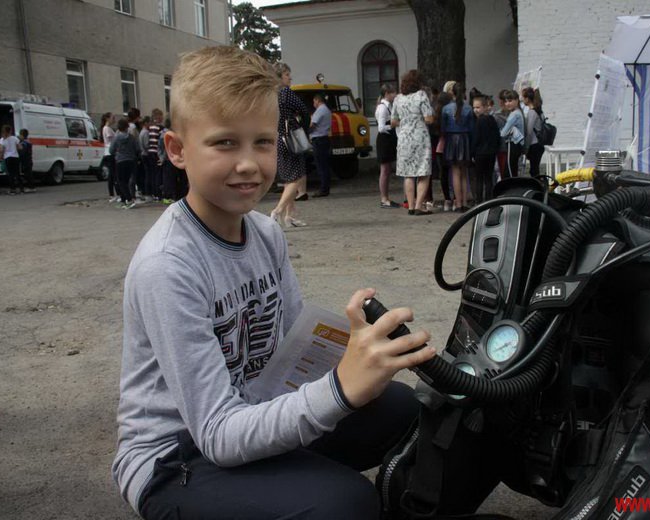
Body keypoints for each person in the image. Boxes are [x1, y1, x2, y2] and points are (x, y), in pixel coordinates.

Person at [112, 46, 436, 520]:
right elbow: (219, 435)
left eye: (263, 143)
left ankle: (293, 483)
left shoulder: (265, 232)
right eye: (225, 143)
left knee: (407, 411)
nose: (249, 164)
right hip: (177, 456)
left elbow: (290, 356)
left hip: (253, 406)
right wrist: (341, 390)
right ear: (177, 150)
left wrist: (355, 352)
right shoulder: (168, 265)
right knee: (345, 505)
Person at [270, 62, 310, 227]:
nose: (290, 77)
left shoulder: (271, 94)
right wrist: (303, 128)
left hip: (278, 138)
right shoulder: (286, 92)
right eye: (287, 74)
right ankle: (278, 211)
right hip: (291, 138)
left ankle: (289, 216)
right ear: (280, 77)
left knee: (288, 178)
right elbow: (304, 111)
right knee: (297, 177)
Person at [391, 69, 434, 216]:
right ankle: (418, 206)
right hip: (420, 137)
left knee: (408, 174)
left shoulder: (397, 98)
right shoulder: (421, 95)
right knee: (423, 172)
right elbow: (429, 118)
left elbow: (393, 121)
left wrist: (406, 121)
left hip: (404, 138)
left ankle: (410, 206)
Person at [441, 82, 474, 212]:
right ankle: (465, 202)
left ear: (452, 93)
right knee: (464, 173)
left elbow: (443, 128)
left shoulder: (446, 109)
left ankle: (458, 203)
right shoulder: (468, 108)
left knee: (455, 172)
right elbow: (472, 129)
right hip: (465, 139)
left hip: (451, 139)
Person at [471, 95, 500, 203]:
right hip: (491, 153)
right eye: (474, 107)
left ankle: (479, 201)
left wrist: (472, 153)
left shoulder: (479, 122)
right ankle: (488, 200)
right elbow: (497, 136)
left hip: (480, 153)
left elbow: (476, 139)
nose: (475, 110)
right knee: (488, 178)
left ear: (484, 107)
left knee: (479, 178)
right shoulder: (492, 119)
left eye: (478, 107)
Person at [375, 84, 400, 208]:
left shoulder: (389, 106)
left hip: (389, 140)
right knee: (384, 170)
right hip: (384, 140)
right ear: (386, 94)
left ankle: (386, 197)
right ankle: (384, 199)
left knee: (387, 170)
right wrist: (393, 125)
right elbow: (381, 128)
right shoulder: (383, 108)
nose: (395, 95)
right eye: (393, 93)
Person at [109, 117, 141, 209]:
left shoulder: (116, 138)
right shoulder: (132, 137)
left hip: (120, 161)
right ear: (127, 127)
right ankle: (125, 200)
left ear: (119, 128)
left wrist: (117, 152)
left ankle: (129, 199)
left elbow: (111, 150)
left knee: (121, 182)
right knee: (126, 181)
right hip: (131, 161)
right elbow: (137, 148)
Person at [309, 93, 332, 198]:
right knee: (324, 164)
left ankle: (323, 189)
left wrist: (306, 131)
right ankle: (325, 188)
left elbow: (313, 125)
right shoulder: (326, 109)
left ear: (317, 100)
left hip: (318, 139)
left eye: (314, 102)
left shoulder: (320, 110)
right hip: (324, 138)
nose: (313, 104)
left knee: (321, 165)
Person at [500, 90, 526, 178]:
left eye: (510, 101)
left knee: (510, 170)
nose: (507, 104)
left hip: (512, 144)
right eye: (506, 101)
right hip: (517, 145)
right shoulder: (519, 112)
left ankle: (512, 189)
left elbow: (503, 133)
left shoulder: (514, 115)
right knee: (513, 168)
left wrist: (501, 131)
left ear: (517, 100)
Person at [522, 87, 545, 176]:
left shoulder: (532, 113)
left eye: (523, 98)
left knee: (534, 171)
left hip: (534, 145)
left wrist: (526, 147)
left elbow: (529, 132)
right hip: (540, 144)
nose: (522, 100)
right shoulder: (540, 111)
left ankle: (538, 187)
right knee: (535, 169)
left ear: (527, 99)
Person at [0, 125, 22, 195]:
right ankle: (21, 189)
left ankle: (12, 190)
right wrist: (14, 149)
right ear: (10, 131)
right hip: (15, 157)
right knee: (17, 173)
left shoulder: (2, 140)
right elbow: (20, 147)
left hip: (8, 158)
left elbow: (2, 150)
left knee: (10, 174)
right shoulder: (15, 138)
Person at [101, 112, 119, 202]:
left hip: (108, 153)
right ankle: (114, 194)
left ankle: (112, 194)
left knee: (112, 175)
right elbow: (112, 140)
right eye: (113, 117)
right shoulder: (107, 129)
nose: (114, 119)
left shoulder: (107, 128)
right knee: (113, 174)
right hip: (110, 153)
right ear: (107, 118)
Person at [17, 129, 36, 193]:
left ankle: (31, 187)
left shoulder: (25, 143)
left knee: (28, 174)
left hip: (26, 160)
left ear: (22, 135)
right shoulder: (27, 142)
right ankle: (31, 186)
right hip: (28, 160)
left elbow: (22, 152)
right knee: (28, 173)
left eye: (20, 135)